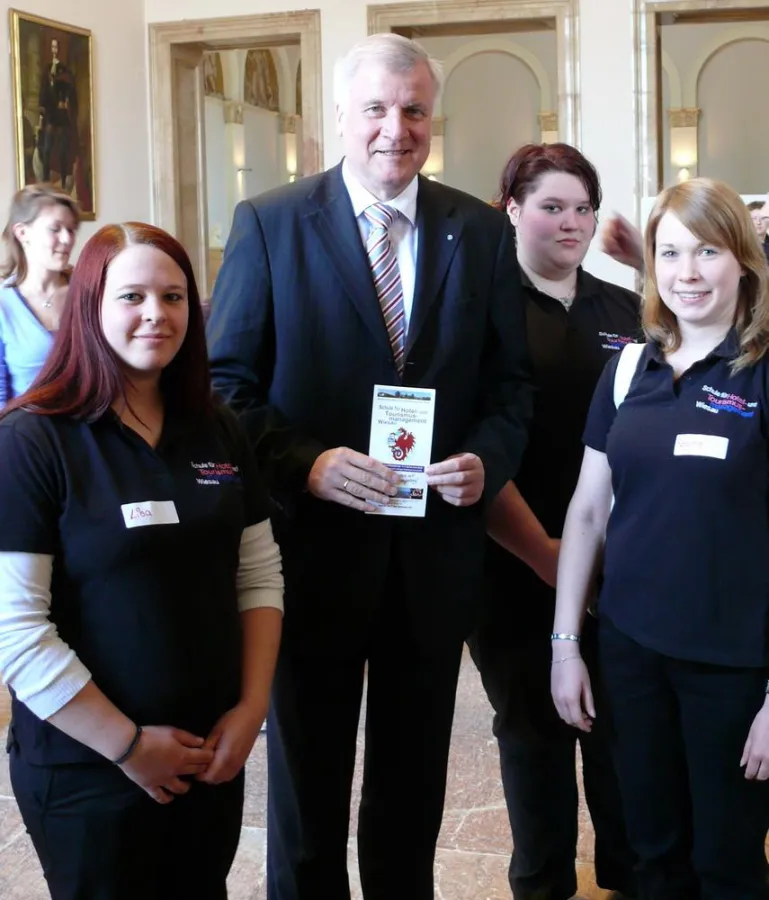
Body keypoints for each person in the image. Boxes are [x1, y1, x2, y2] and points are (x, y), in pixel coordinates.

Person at [206, 31, 532, 900]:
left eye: (414, 110)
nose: (397, 128)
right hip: (310, 557)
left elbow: (510, 389)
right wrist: (308, 466)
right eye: (377, 110)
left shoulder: (478, 233)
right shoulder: (271, 223)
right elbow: (226, 389)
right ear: (340, 120)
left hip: (432, 558)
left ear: (433, 119)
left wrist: (483, 463)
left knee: (411, 786)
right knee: (307, 793)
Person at [0, 222, 284, 900]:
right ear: (90, 308)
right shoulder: (33, 441)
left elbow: (259, 575)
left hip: (209, 754)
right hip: (89, 768)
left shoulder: (217, 426)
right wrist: (129, 746)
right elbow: (16, 630)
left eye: (174, 296)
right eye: (131, 296)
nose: (156, 314)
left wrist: (249, 711)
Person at [552, 177, 769, 900]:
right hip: (630, 655)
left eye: (706, 251)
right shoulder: (625, 371)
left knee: (727, 864)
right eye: (668, 252)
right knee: (648, 855)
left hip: (734, 667)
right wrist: (563, 648)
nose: (685, 272)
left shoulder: (761, 371)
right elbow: (586, 514)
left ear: (743, 258)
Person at [467, 142, 638, 900]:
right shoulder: (475, 310)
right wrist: (542, 552)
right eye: (550, 207)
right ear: (511, 209)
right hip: (510, 555)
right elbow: (470, 443)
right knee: (534, 726)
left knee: (615, 723)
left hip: (613, 562)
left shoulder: (622, 309)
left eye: (581, 208)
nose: (570, 223)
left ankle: (628, 874)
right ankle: (540, 884)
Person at [0, 183, 79, 406]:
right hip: (28, 434)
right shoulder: (3, 305)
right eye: (55, 229)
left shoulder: (86, 292)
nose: (67, 239)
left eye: (71, 230)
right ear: (22, 232)